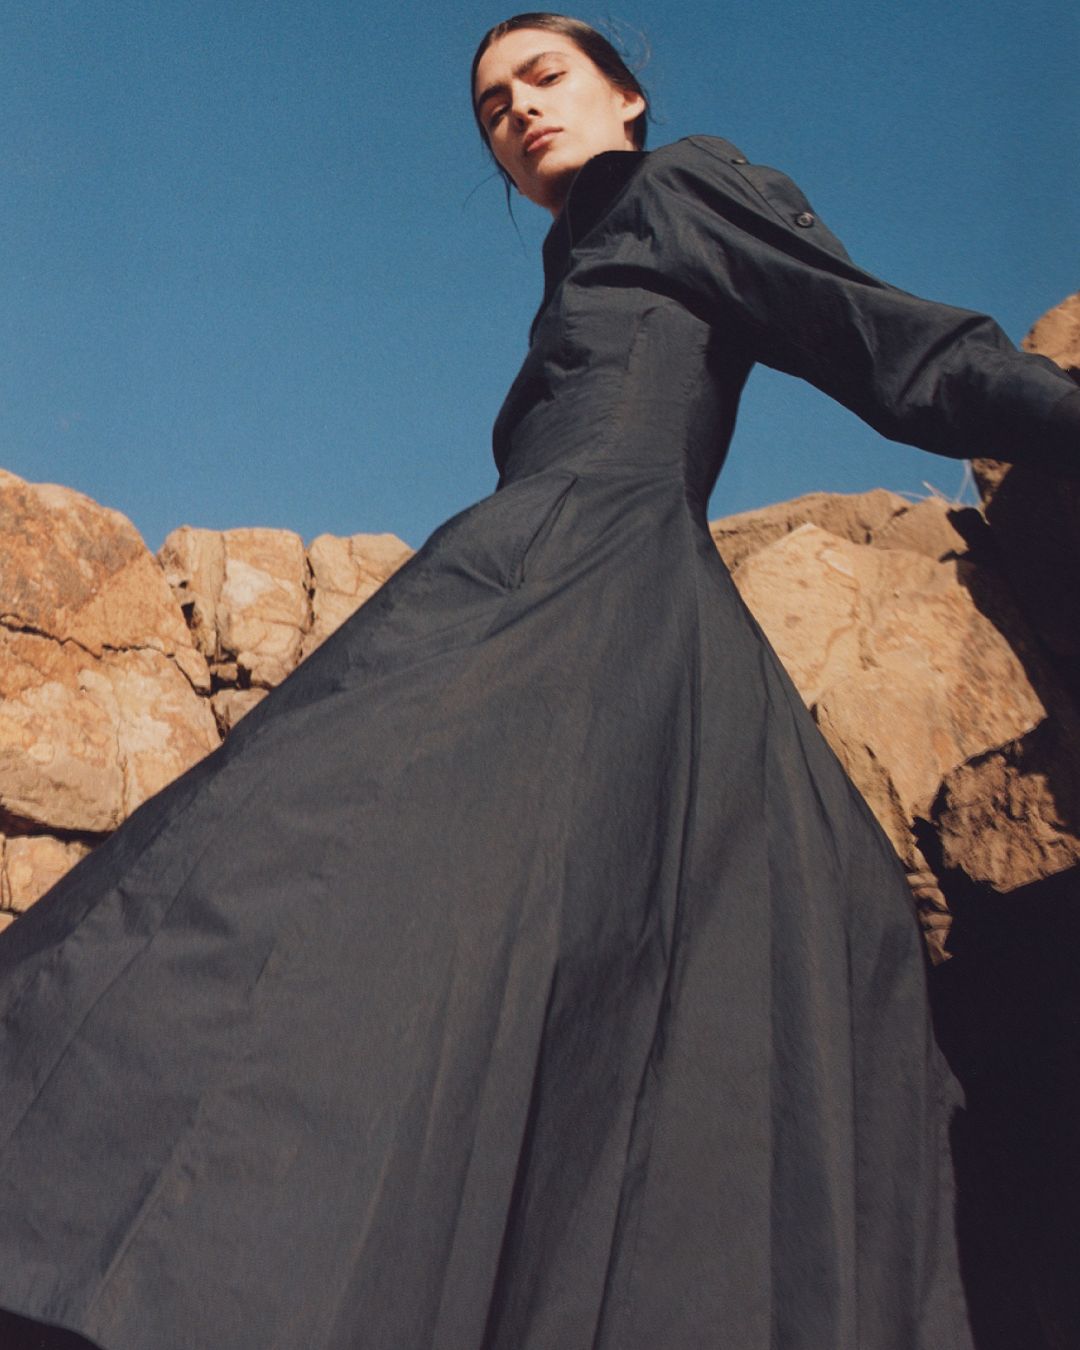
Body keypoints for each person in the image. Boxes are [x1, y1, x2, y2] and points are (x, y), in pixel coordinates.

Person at [0, 12, 1077, 1350]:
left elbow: (881, 340)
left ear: (626, 96)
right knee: (418, 935)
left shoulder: (679, 183)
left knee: (300, 860)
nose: (515, 112)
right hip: (564, 592)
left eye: (543, 78)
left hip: (582, 585)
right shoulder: (585, 257)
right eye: (492, 107)